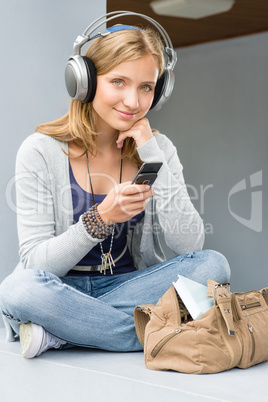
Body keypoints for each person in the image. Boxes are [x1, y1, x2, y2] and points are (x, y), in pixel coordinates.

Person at [0, 12, 230, 359]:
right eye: (118, 82)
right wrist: (100, 218)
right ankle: (154, 333)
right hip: (59, 289)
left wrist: (151, 151)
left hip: (130, 287)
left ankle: (64, 332)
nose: (133, 102)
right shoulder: (41, 151)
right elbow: (35, 266)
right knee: (19, 288)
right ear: (86, 82)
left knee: (214, 266)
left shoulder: (160, 147)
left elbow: (189, 245)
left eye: (146, 87)